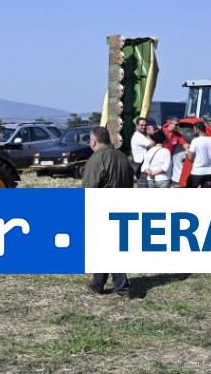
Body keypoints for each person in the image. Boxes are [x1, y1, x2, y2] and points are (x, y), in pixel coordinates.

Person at [82, 126, 134, 297]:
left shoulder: (97, 159)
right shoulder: (123, 157)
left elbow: (88, 188)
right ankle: (97, 283)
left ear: (93, 142)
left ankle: (122, 287)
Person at [185, 122, 211, 188]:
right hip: (209, 172)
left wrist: (187, 153)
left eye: (194, 129)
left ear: (198, 129)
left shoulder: (195, 141)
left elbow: (190, 158)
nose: (194, 131)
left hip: (197, 171)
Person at [163, 117, 188, 185]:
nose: (177, 126)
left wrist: (188, 150)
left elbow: (185, 144)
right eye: (176, 125)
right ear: (170, 124)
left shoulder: (177, 135)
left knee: (167, 176)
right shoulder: (162, 131)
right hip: (160, 157)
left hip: (169, 158)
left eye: (178, 125)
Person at [130, 117, 150, 188]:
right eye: (142, 125)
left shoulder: (140, 135)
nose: (144, 127)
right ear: (137, 125)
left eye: (145, 125)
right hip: (141, 166)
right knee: (143, 186)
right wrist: (150, 133)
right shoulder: (138, 136)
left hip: (139, 165)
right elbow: (151, 144)